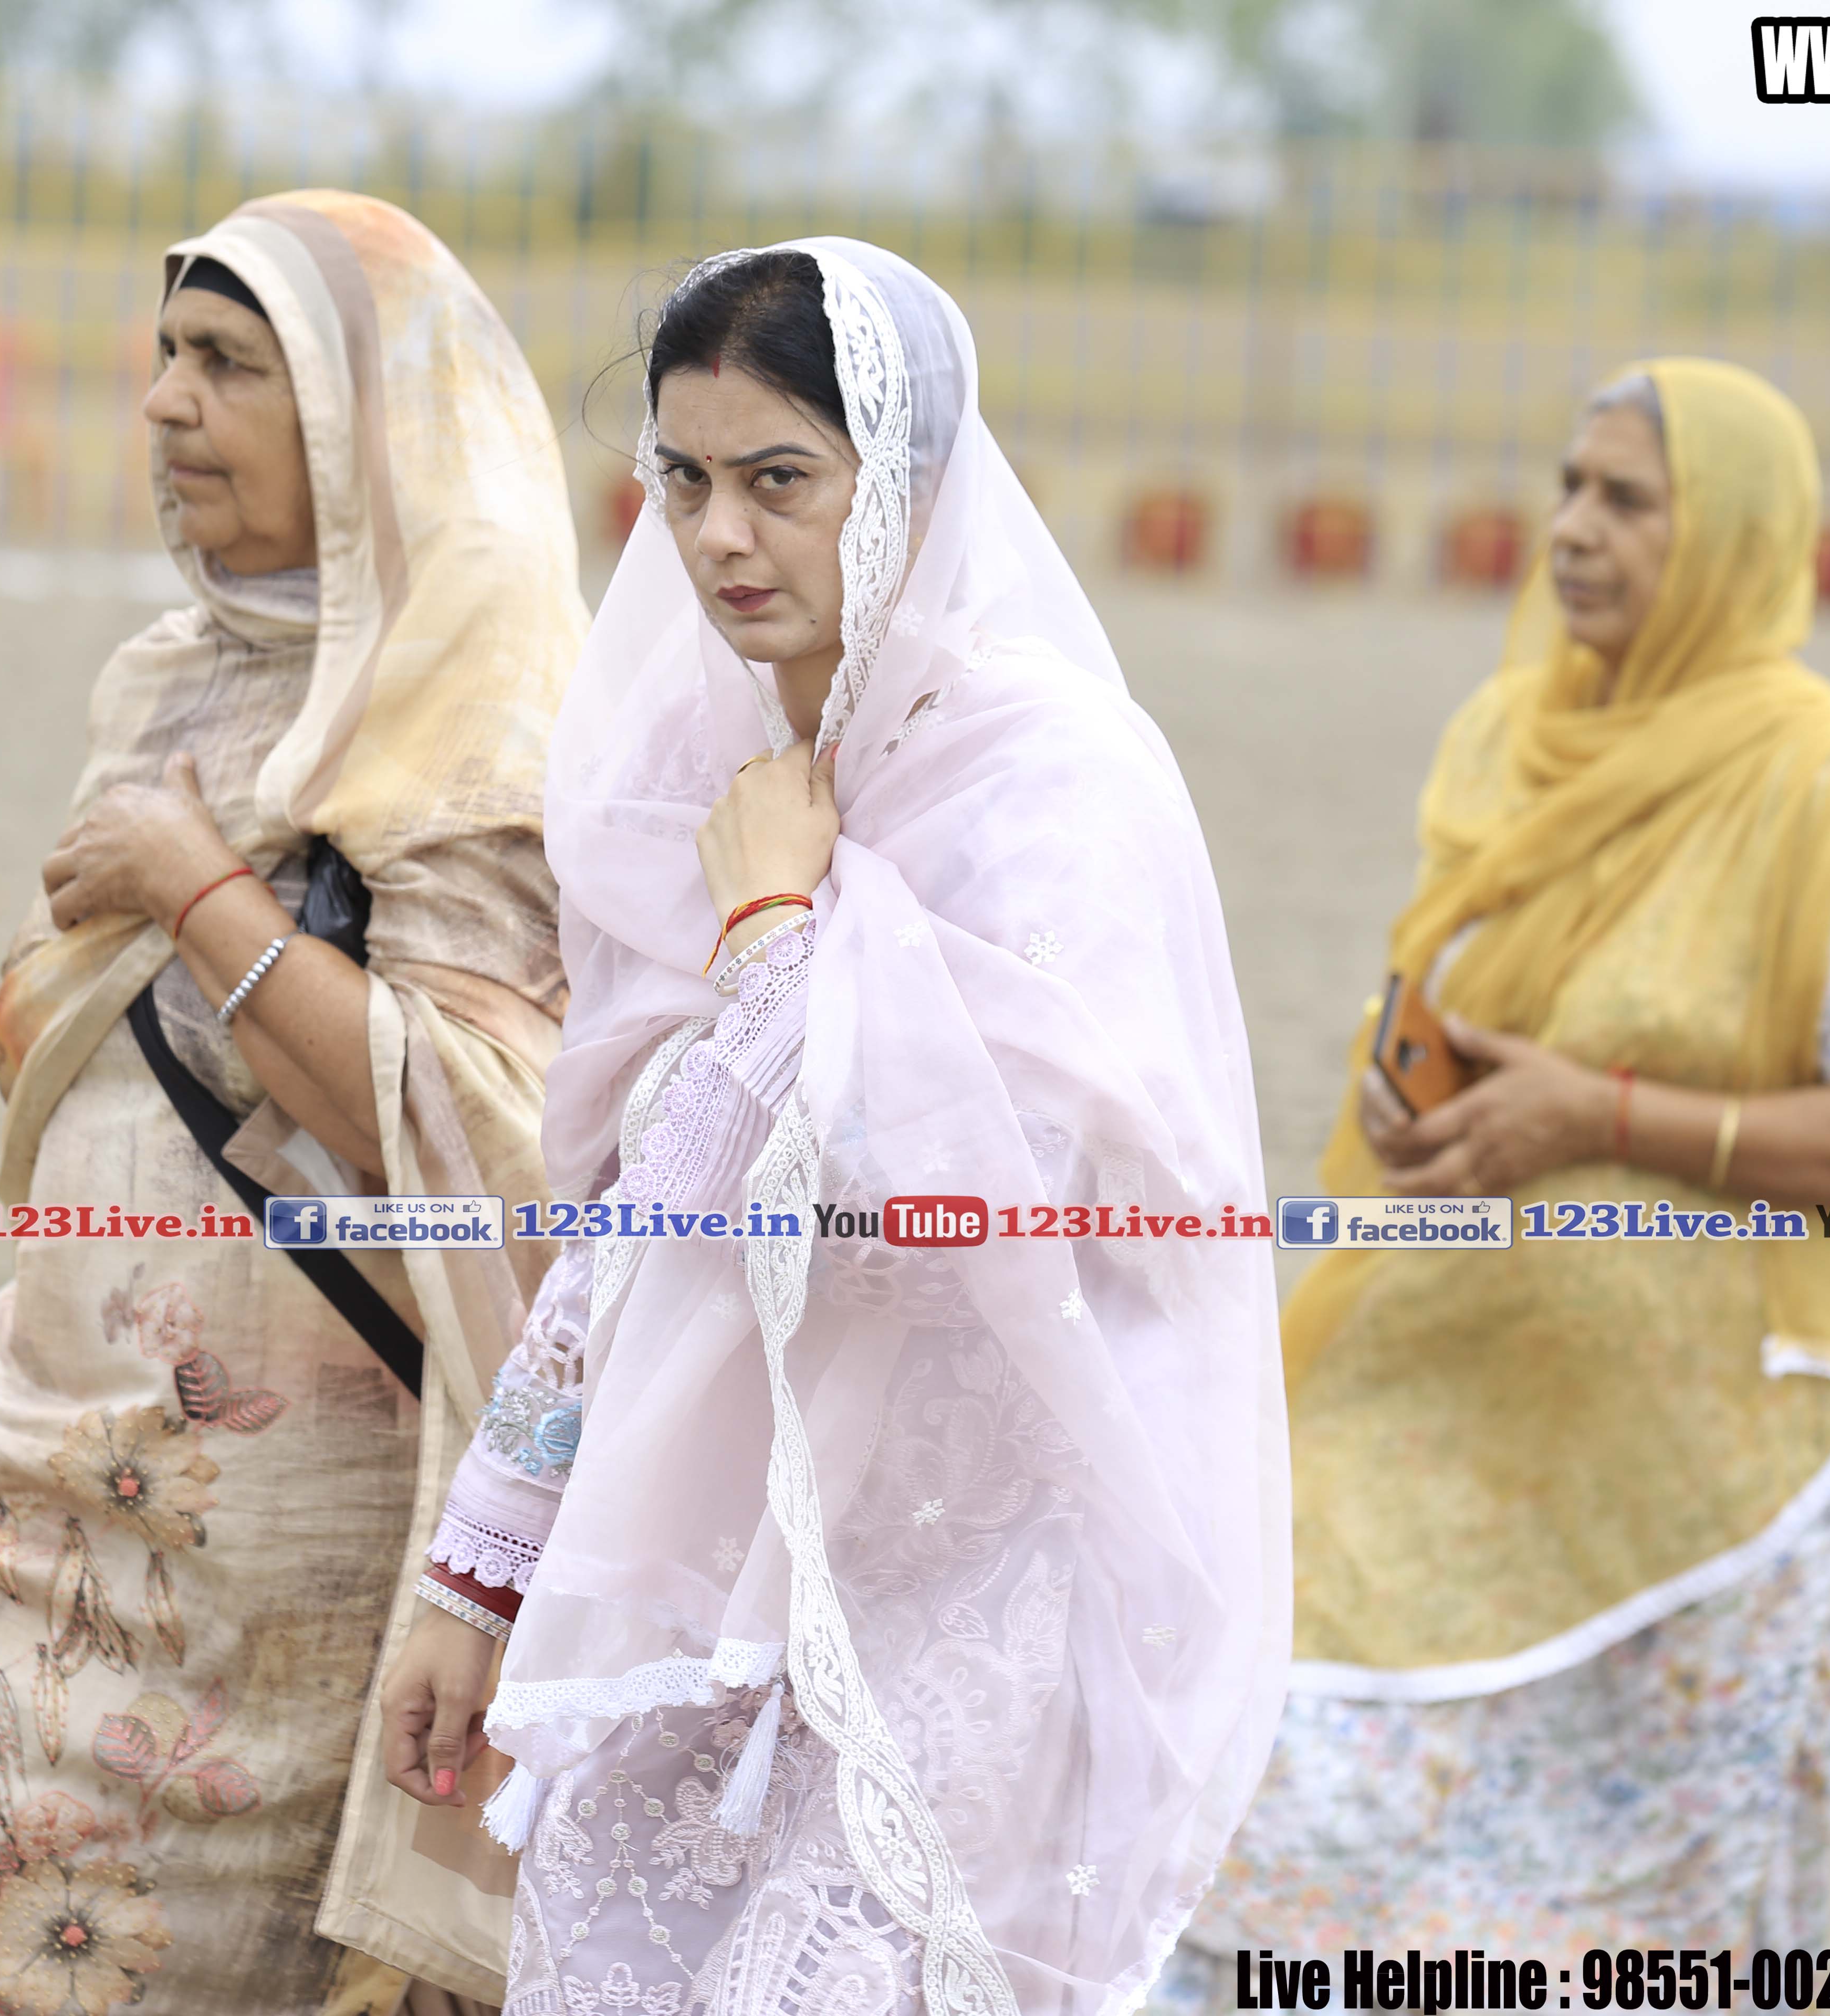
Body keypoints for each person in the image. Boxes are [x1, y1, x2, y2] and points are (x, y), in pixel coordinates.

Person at [0, 192, 583, 2015]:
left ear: (369, 430)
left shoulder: (480, 719)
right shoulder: (168, 683)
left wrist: (194, 889)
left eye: (225, 365)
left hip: (285, 1560)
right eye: (164, 356)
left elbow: (483, 1139)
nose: (163, 404)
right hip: (29, 1455)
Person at [378, 241, 1290, 2014]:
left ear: (916, 488)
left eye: (780, 481)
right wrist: (478, 1577)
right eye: (684, 481)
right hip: (712, 1571)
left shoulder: (1052, 788)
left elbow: (968, 1221)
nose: (721, 537)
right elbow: (646, 1221)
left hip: (979, 1578)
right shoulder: (696, 775)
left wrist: (776, 936)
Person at [1152, 361, 1830, 1998]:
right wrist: (1429, 1100)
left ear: (1735, 537)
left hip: (1710, 1460)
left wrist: (1599, 1115)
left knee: (1650, 1927)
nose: (1575, 531)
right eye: (1570, 489)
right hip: (1445, 1383)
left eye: (1630, 501)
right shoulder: (1516, 740)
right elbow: (1480, 1002)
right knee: (1245, 1763)